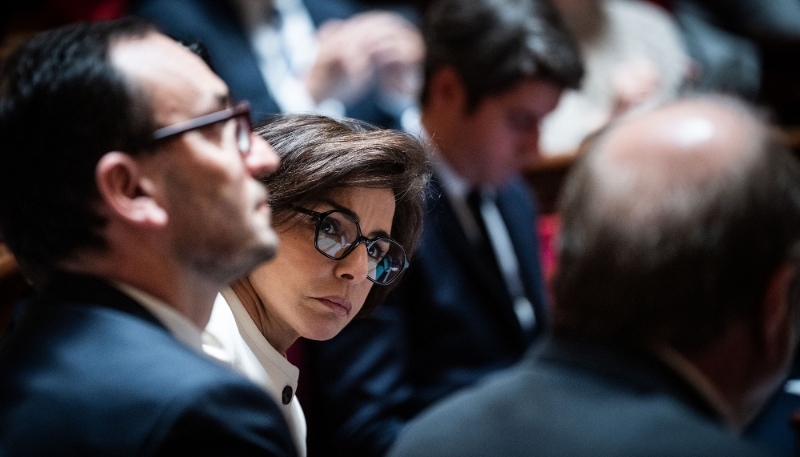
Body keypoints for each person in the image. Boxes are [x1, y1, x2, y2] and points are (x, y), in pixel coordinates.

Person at [387, 95, 800, 457]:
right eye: (522, 121)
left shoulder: (425, 442)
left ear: (559, 271)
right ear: (775, 309)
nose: (534, 149)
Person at [0, 19, 298, 456]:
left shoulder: (19, 361)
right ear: (131, 189)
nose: (265, 157)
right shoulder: (202, 415)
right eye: (221, 127)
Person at [301, 0, 584, 455]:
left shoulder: (511, 192)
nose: (535, 149)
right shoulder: (375, 214)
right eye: (520, 122)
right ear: (448, 89)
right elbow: (367, 430)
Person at [202, 114, 429, 456]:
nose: (356, 269)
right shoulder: (210, 358)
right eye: (332, 229)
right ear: (254, 210)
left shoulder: (265, 370)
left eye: (375, 249)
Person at [132, 0, 424, 129]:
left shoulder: (332, 8)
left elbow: (379, 130)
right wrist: (309, 94)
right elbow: (221, 144)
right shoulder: (172, 20)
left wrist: (401, 91)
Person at [539, 0, 690, 156]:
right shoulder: (528, 36)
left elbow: (682, 111)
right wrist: (610, 116)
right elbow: (548, 146)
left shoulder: (649, 24)